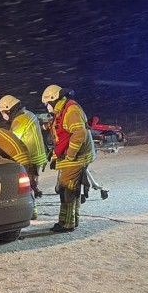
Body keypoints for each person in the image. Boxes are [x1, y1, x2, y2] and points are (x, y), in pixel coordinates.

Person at [41, 85, 96, 233]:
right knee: (71, 188)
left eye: (47, 104)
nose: (47, 107)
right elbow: (63, 134)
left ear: (53, 100)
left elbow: (79, 134)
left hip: (77, 156)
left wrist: (70, 156)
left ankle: (66, 224)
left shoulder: (71, 110)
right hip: (74, 155)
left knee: (67, 189)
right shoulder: (63, 110)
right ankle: (72, 220)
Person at [0, 94, 48, 219]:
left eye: (3, 112)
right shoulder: (27, 114)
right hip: (37, 156)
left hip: (31, 157)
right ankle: (32, 211)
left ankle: (31, 213)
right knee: (31, 184)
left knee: (27, 185)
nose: (3, 115)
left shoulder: (20, 120)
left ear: (9, 109)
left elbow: (13, 139)